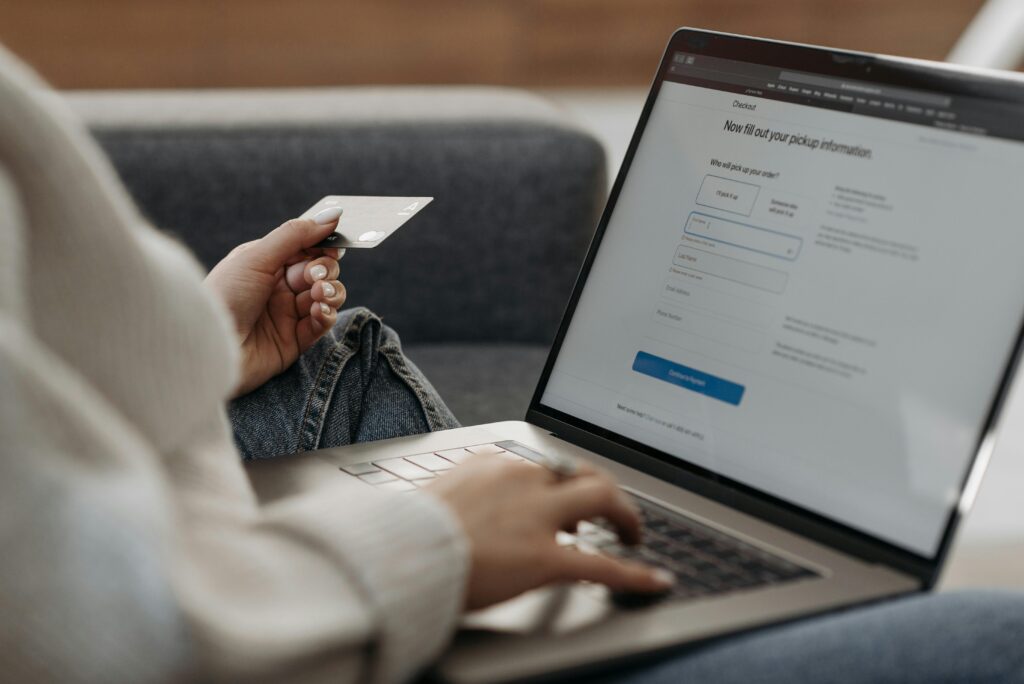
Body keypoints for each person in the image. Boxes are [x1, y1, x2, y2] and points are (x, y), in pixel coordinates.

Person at [1, 43, 1021, 684]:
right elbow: (102, 637)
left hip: (149, 487)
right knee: (996, 637)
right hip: (241, 609)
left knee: (347, 365)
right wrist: (428, 547)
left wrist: (203, 353)